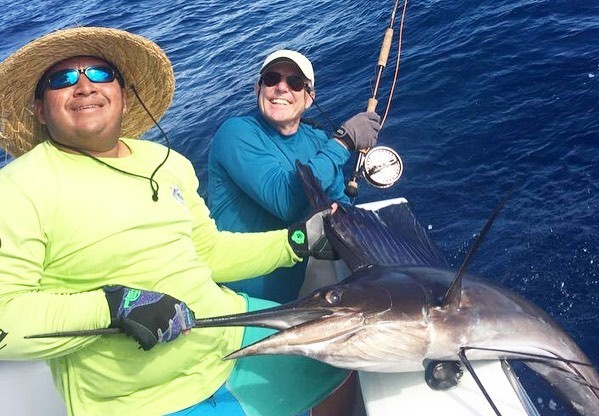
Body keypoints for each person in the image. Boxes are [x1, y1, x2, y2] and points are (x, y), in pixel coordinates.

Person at [0, 27, 353, 416]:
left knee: (343, 356)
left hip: (229, 331)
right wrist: (114, 306)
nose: (84, 87)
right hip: (147, 396)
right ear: (39, 108)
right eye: (62, 79)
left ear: (123, 93)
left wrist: (296, 242)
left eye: (100, 74)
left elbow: (210, 252)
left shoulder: (166, 162)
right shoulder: (18, 186)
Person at [207, 49, 380, 303]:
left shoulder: (318, 139)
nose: (281, 88)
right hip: (239, 300)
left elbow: (341, 206)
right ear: (257, 88)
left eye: (295, 83)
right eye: (271, 79)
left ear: (309, 98)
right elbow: (285, 200)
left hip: (303, 293)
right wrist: (343, 143)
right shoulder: (235, 133)